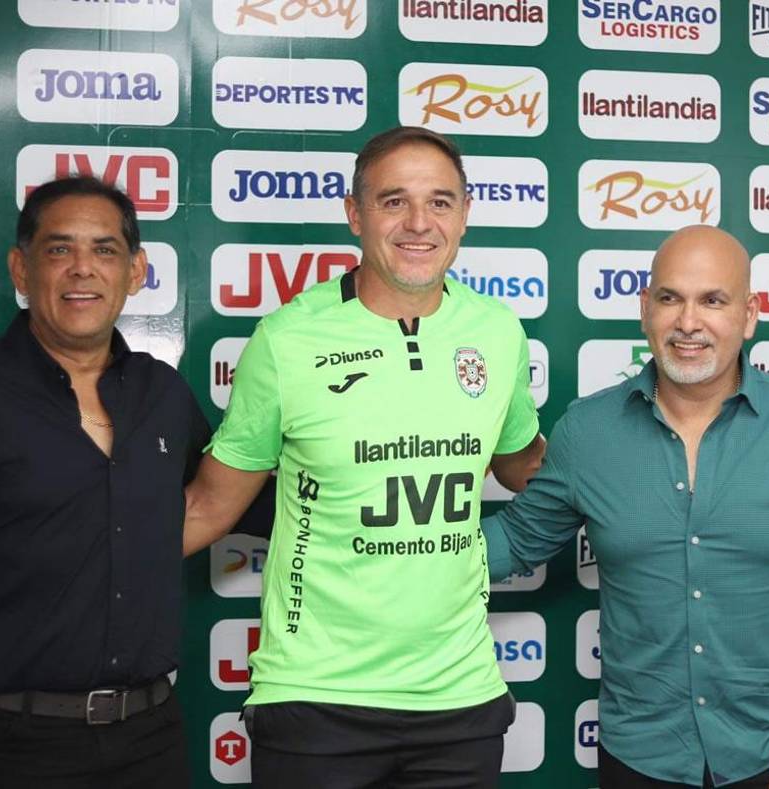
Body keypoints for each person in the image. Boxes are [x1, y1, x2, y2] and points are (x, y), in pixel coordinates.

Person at [183, 126, 545, 788]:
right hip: (316, 699)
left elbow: (522, 464)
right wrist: (74, 565)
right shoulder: (287, 339)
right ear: (355, 214)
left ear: (465, 213)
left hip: (458, 698)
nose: (418, 223)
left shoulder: (497, 333)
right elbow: (208, 503)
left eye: (440, 201)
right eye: (392, 201)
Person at [483, 225, 769, 789]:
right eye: (670, 298)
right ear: (644, 309)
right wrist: (386, 552)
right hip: (642, 753)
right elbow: (517, 541)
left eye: (713, 301)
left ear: (748, 315)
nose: (688, 322)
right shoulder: (588, 430)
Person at [0, 177, 220, 788]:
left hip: (149, 740)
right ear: (21, 270)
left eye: (105, 250)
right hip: (3, 746)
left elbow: (235, 494)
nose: (82, 270)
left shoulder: (163, 395)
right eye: (59, 250)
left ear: (135, 272)